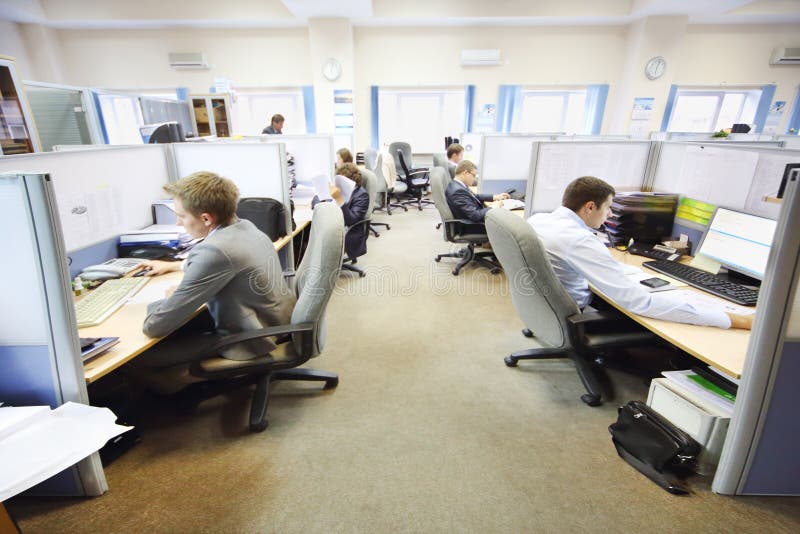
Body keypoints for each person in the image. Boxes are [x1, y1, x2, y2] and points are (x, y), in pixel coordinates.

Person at [132, 171, 296, 392]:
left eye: (181, 216)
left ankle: (176, 392)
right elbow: (227, 262)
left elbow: (155, 326)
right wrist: (174, 266)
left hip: (249, 338)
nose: (178, 223)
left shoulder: (214, 250)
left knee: (140, 356)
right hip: (274, 320)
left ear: (206, 218)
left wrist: (166, 299)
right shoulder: (245, 226)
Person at [528, 176, 753, 330]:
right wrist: (732, 319)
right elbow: (638, 303)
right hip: (577, 313)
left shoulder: (538, 220)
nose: (609, 216)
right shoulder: (580, 240)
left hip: (546, 308)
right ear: (589, 207)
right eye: (608, 208)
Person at [445, 160, 509, 224]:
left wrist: (495, 197)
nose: (474, 179)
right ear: (465, 172)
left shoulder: (457, 184)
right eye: (474, 175)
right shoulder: (458, 191)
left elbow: (474, 197)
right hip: (473, 226)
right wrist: (494, 207)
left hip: (472, 220)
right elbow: (475, 215)